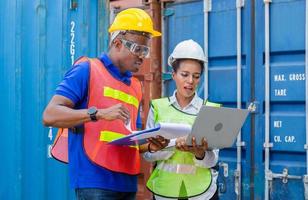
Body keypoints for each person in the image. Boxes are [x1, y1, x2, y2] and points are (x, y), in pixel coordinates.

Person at [42, 8, 167, 200]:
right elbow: (50, 115)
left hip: (127, 183)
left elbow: (132, 139)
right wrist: (97, 114)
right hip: (94, 181)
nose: (142, 56)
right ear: (117, 43)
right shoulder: (87, 69)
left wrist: (151, 145)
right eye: (138, 49)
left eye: (146, 50)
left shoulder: (136, 86)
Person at [143, 39, 220, 200]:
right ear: (173, 75)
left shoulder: (210, 110)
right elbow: (147, 155)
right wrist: (162, 148)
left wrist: (199, 153)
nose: (190, 81)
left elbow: (212, 160)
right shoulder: (158, 107)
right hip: (166, 192)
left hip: (202, 193)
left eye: (196, 76)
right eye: (184, 74)